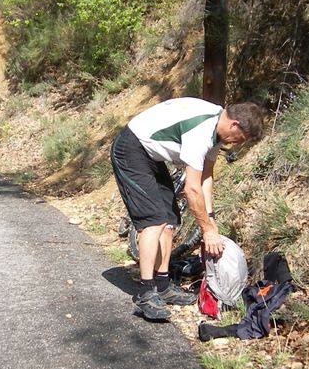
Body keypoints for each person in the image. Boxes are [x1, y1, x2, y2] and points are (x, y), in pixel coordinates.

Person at [110, 97, 264, 321]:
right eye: (241, 139)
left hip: (151, 155)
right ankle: (145, 293)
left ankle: (162, 285)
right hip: (131, 149)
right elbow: (192, 189)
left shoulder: (217, 131)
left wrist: (210, 220)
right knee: (154, 220)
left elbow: (206, 176)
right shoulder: (202, 130)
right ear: (234, 125)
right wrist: (208, 231)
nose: (237, 144)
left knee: (170, 219)